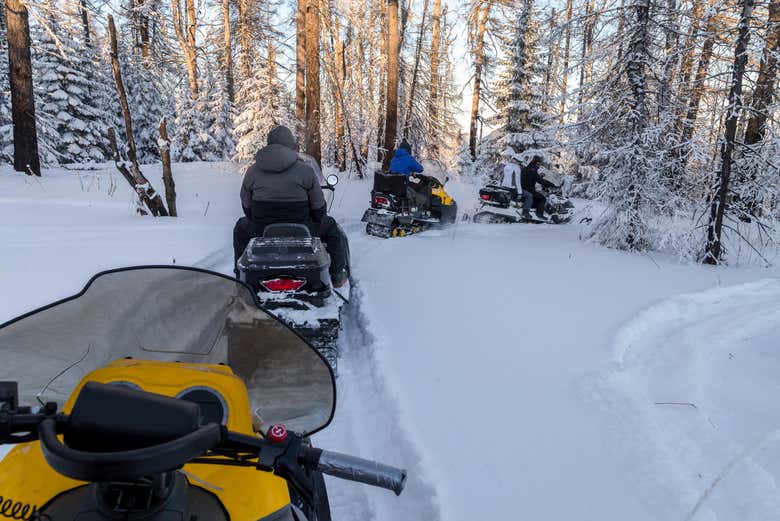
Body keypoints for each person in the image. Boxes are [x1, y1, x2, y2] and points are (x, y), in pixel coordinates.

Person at [233, 125, 349, 287]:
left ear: (269, 144)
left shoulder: (253, 171)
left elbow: (246, 204)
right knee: (331, 227)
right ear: (291, 145)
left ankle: (240, 277)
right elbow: (319, 206)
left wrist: (257, 220)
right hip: (303, 229)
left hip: (261, 230)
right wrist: (317, 219)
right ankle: (337, 276)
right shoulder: (305, 170)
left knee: (240, 228)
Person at [520, 155, 557, 220]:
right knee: (543, 198)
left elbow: (534, 178)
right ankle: (540, 214)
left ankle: (533, 211)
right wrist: (552, 185)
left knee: (537, 196)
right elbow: (540, 180)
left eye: (540, 164)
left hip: (523, 189)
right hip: (529, 190)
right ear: (536, 163)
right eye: (539, 164)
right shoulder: (533, 170)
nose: (539, 166)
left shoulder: (526, 168)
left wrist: (540, 177)